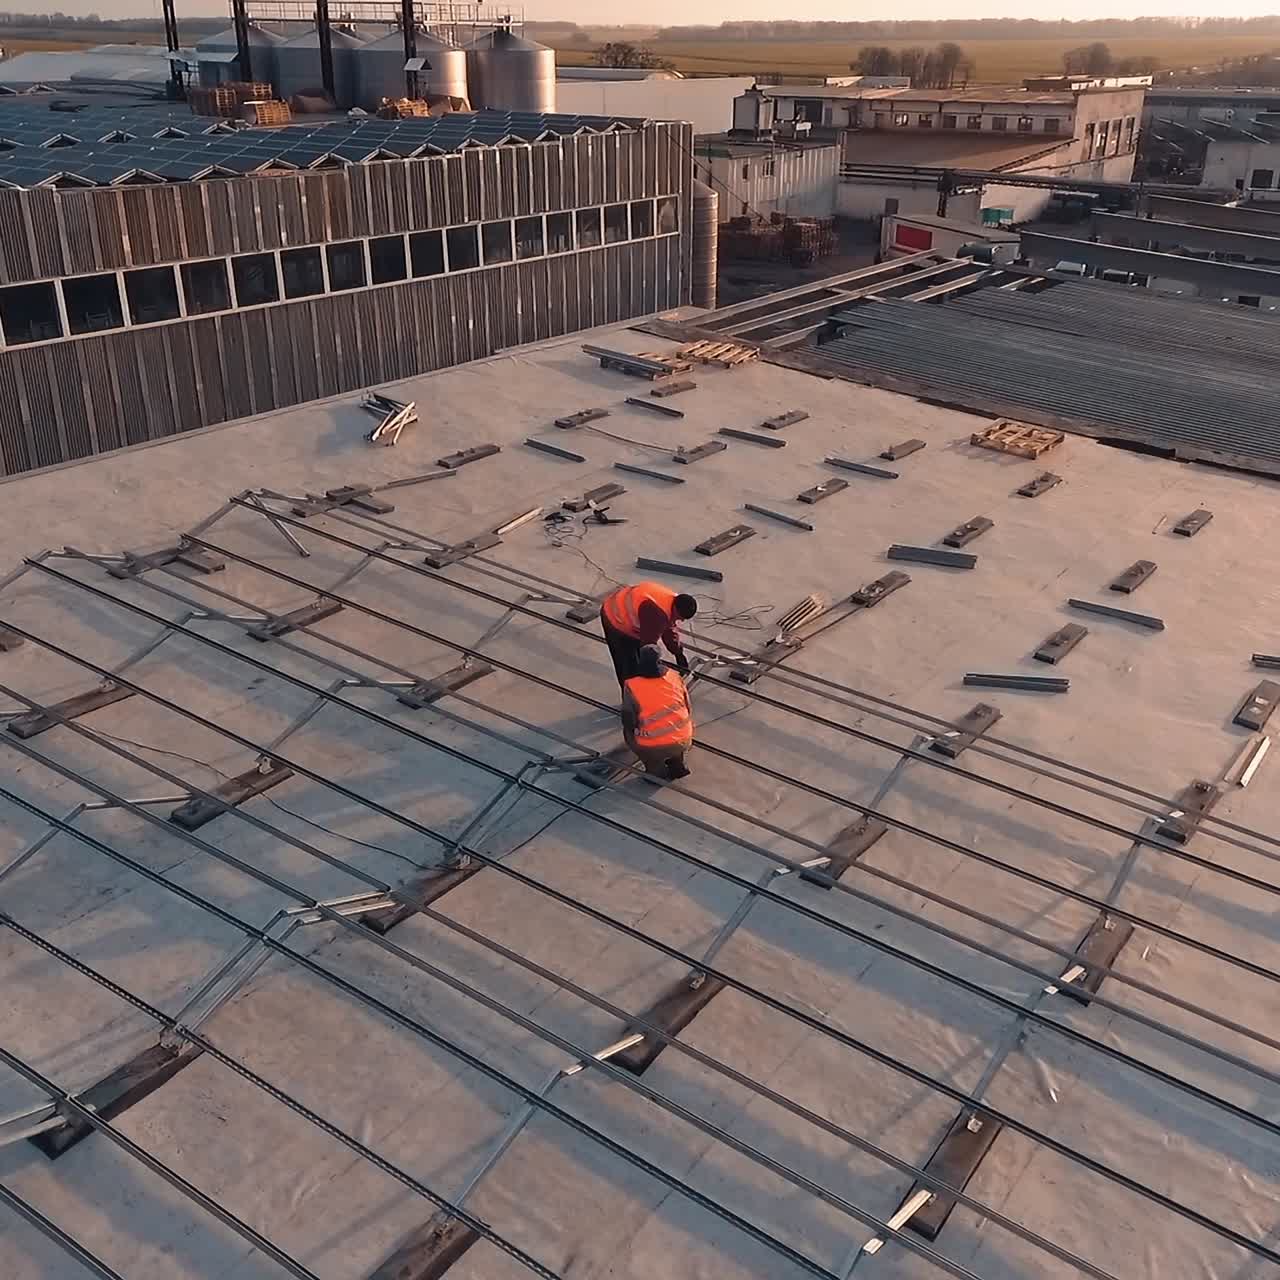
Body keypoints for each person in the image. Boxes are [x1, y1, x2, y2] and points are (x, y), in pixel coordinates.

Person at [599, 580, 697, 689]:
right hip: (615, 618)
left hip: (627, 610)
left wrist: (678, 653)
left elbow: (669, 630)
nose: (682, 620)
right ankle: (631, 700)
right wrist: (652, 671)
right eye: (681, 617)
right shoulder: (656, 614)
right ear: (676, 609)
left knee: (638, 660)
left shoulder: (671, 601)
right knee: (628, 669)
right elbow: (648, 646)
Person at [621, 646, 693, 780]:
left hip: (651, 744)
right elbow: (688, 705)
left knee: (628, 733)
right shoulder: (674, 676)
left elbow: (628, 719)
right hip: (684, 737)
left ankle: (656, 772)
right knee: (674, 740)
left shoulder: (632, 685)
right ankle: (677, 763)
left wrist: (635, 731)